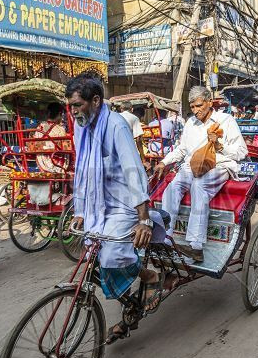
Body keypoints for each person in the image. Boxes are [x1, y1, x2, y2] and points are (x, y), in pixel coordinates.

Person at [67, 74, 163, 343]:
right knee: (93, 258)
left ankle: (149, 275)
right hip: (98, 206)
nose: (73, 112)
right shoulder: (81, 126)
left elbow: (134, 172)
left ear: (95, 101)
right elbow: (83, 170)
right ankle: (131, 303)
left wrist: (143, 219)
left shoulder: (117, 126)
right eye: (70, 106)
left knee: (111, 257)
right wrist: (80, 210)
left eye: (77, 105)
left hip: (124, 205)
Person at [154, 86, 248, 262]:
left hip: (219, 165)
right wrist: (164, 162)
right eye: (192, 107)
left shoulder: (225, 120)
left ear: (209, 102)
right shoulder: (190, 123)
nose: (196, 111)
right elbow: (182, 149)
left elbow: (241, 152)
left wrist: (220, 146)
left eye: (199, 106)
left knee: (199, 185)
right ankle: (165, 238)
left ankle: (195, 246)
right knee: (172, 188)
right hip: (194, 165)